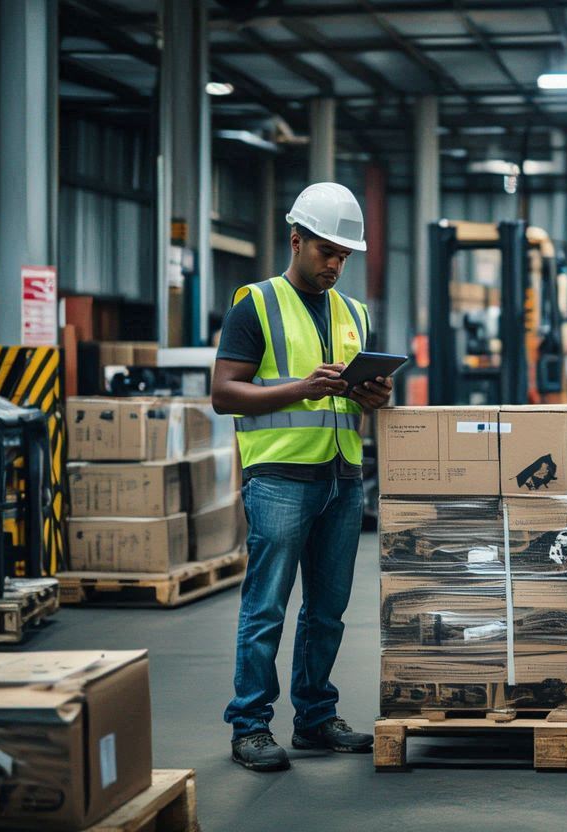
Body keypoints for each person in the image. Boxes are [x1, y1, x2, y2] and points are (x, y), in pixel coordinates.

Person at [212, 182, 393, 772]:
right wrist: (301, 388)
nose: (336, 265)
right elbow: (223, 394)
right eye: (326, 252)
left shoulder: (356, 314)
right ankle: (250, 725)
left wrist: (374, 395)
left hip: (343, 479)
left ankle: (315, 716)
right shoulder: (256, 303)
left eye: (344, 255)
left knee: (327, 611)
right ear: (296, 240)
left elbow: (355, 403)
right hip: (281, 479)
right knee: (266, 606)